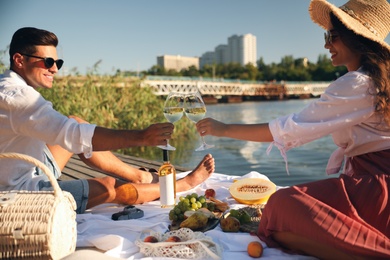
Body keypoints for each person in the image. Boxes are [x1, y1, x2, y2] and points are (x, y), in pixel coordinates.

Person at [196, 0, 390, 258]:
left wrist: (224, 128)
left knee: (279, 208)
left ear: (355, 39)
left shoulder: (357, 84)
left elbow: (290, 129)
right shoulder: (380, 80)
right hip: (374, 183)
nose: (326, 45)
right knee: (285, 212)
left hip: (376, 190)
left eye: (332, 36)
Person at [0, 27, 215, 214]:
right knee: (110, 188)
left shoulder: (10, 87)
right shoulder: (17, 97)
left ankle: (139, 177)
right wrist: (142, 137)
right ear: (19, 60)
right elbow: (75, 136)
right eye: (48, 62)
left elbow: (72, 130)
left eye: (58, 62)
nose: (54, 68)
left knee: (76, 122)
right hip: (19, 192)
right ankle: (183, 184)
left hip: (25, 167)